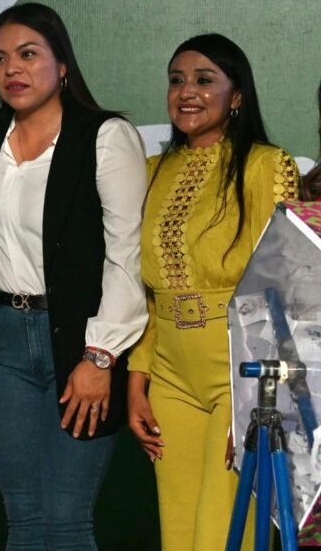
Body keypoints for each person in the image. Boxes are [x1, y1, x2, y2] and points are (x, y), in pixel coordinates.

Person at [0, 2, 148, 550]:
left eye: (28, 54)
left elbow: (127, 255)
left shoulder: (105, 135)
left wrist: (100, 356)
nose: (11, 69)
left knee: (66, 519)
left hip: (77, 339)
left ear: (62, 63)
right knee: (22, 517)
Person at [127, 34, 300, 551]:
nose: (187, 91)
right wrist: (137, 380)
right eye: (176, 80)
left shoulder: (266, 165)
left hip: (240, 371)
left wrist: (258, 400)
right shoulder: (150, 172)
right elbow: (147, 293)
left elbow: (285, 288)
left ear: (237, 95)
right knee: (179, 535)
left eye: (204, 80)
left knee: (223, 534)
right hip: (169, 377)